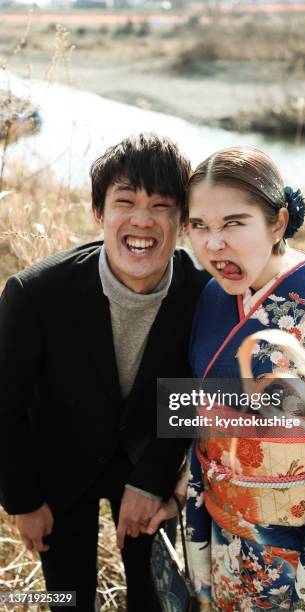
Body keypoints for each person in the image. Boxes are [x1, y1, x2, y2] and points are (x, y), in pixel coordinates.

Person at [147, 146, 305, 610]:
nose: (213, 245)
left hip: (298, 550)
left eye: (234, 223)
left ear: (279, 222)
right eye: (199, 226)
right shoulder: (213, 296)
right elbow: (200, 412)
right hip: (221, 526)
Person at [0, 132, 209, 611]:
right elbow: (4, 407)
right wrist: (23, 503)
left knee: (160, 600)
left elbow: (193, 396)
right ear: (98, 212)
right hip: (59, 464)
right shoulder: (33, 296)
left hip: (148, 459)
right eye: (126, 201)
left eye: (161, 205)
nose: (142, 219)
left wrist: (153, 479)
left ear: (182, 220)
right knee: (68, 600)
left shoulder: (202, 296)